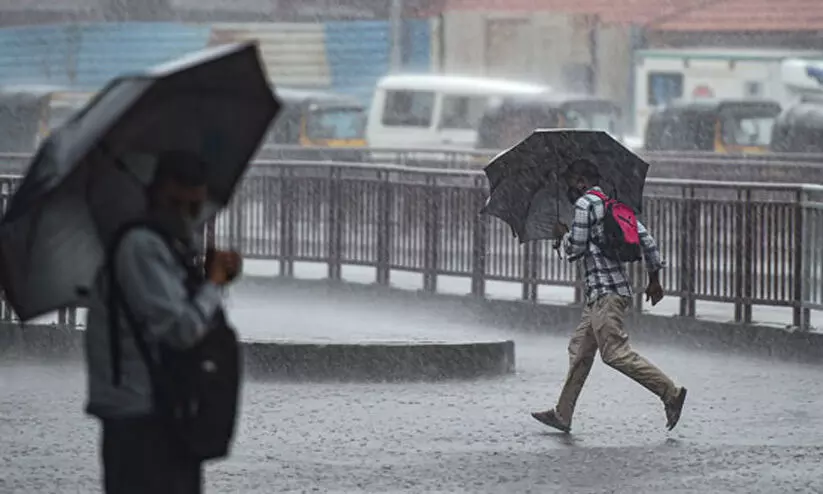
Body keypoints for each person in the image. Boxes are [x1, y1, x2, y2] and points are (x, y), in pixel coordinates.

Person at [84, 150, 243, 494]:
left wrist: (205, 279)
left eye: (194, 207)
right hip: (141, 415)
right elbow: (180, 330)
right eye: (177, 203)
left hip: (163, 410)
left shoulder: (165, 244)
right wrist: (213, 284)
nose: (186, 216)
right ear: (155, 194)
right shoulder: (140, 246)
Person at [531, 158, 687, 433]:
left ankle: (671, 393)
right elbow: (647, 241)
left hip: (605, 294)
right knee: (579, 349)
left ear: (581, 181)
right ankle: (562, 414)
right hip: (608, 294)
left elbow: (574, 251)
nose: (569, 188)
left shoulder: (583, 205)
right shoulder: (614, 205)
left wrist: (562, 236)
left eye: (570, 182)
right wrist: (654, 279)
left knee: (615, 354)